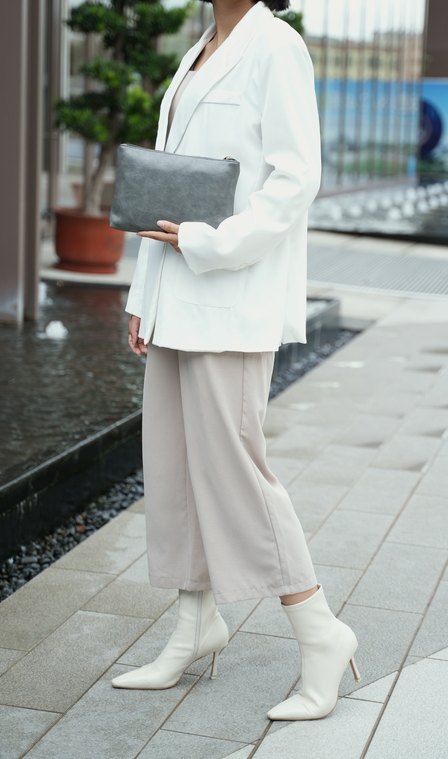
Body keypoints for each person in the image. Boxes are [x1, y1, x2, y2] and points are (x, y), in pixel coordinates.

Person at [112, 0, 360, 721]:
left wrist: (210, 243)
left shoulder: (276, 46)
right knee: (175, 465)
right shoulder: (198, 51)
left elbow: (295, 179)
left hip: (230, 297)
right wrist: (143, 295)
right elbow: (167, 184)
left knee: (235, 470)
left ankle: (321, 632)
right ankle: (195, 624)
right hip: (176, 297)